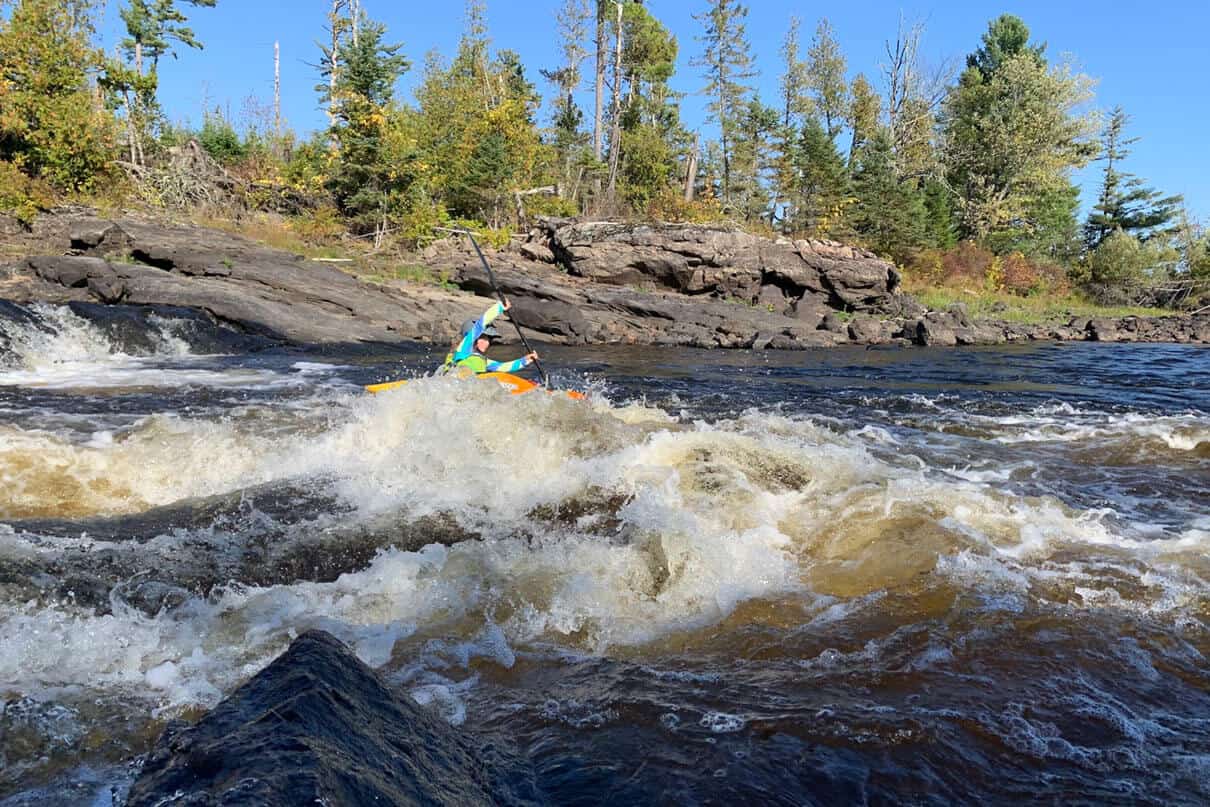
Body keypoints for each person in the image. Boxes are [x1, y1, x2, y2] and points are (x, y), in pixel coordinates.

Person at [441, 298, 538, 375]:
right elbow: (480, 325)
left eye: (488, 340)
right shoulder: (462, 350)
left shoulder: (484, 361)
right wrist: (499, 307)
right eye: (483, 338)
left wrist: (525, 360)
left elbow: (503, 367)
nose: (486, 343)